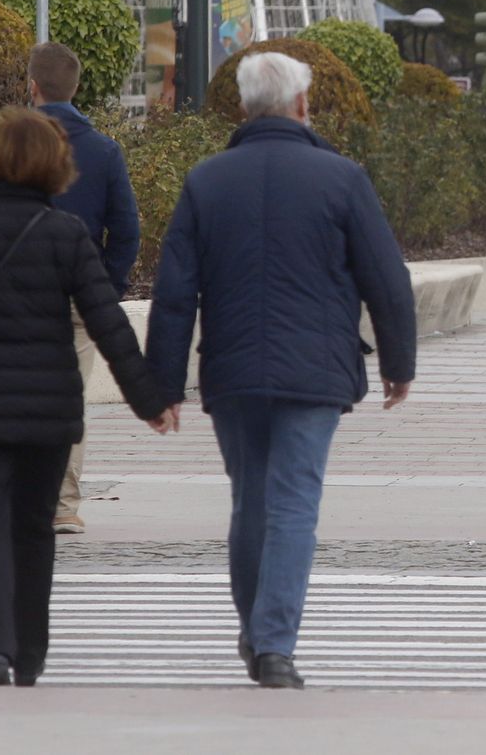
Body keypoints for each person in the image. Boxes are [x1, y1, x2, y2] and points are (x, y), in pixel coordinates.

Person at [144, 51, 418, 689]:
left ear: (244, 106)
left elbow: (175, 292)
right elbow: (387, 279)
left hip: (233, 369)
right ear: (301, 104)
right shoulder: (342, 178)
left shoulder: (207, 181)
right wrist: (398, 363)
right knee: (294, 500)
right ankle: (274, 646)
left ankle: (257, 631)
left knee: (251, 500)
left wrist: (163, 385)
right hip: (315, 372)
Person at [0, 107, 173, 688]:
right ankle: (31, 653)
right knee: (34, 528)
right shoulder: (65, 234)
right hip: (48, 406)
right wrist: (148, 399)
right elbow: (107, 322)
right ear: (54, 166)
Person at [26, 43, 142, 536]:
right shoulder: (103, 151)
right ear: (75, 89)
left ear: (32, 86)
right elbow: (127, 230)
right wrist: (106, 286)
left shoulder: (8, 146)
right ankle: (63, 505)